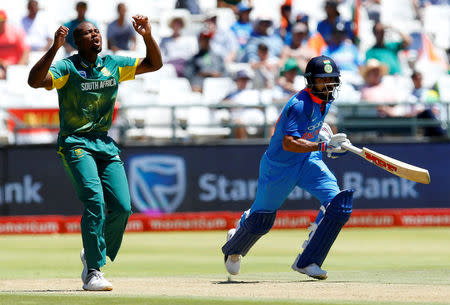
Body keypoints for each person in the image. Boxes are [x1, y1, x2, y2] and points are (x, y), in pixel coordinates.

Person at [27, 15, 162, 291]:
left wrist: (147, 36)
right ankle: (93, 272)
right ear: (77, 42)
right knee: (95, 202)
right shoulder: (68, 67)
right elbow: (34, 81)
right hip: (75, 143)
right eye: (88, 33)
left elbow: (154, 64)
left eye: (97, 31)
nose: (95, 35)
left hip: (104, 143)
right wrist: (54, 47)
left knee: (123, 207)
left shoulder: (113, 64)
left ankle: (91, 252)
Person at [221, 55, 354, 280]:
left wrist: (324, 134)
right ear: (311, 81)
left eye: (332, 79)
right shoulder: (299, 104)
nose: (329, 85)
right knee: (261, 221)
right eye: (324, 80)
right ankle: (235, 243)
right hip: (280, 166)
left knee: (338, 205)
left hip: (308, 161)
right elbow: (289, 142)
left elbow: (310, 128)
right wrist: (323, 145)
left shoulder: (326, 99)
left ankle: (309, 261)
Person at [0, 10, 30, 79]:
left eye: (2, 22)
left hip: (15, 66)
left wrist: (19, 68)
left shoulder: (15, 31)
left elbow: (25, 51)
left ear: (5, 21)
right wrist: (2, 62)